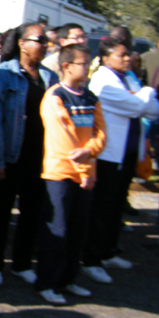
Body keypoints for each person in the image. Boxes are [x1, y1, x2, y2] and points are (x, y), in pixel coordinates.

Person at [0, 23, 58, 286]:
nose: (45, 45)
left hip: (41, 158)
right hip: (11, 156)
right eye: (39, 40)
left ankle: (22, 263)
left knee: (32, 213)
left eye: (46, 41)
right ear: (22, 43)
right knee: (2, 212)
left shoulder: (50, 78)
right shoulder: (4, 75)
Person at [81, 38, 159, 284]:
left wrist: (140, 97)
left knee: (116, 207)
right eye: (122, 55)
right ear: (105, 58)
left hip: (128, 153)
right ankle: (91, 259)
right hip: (108, 156)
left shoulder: (129, 79)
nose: (127, 59)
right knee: (102, 208)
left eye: (128, 56)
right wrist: (146, 92)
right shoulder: (103, 80)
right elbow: (138, 106)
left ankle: (108, 251)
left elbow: (153, 110)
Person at [35, 43, 106, 304]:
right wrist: (85, 167)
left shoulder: (90, 97)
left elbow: (100, 133)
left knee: (78, 230)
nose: (88, 68)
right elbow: (65, 141)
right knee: (58, 230)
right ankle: (47, 282)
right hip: (61, 174)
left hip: (85, 175)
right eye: (84, 64)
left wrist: (90, 154)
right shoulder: (55, 96)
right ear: (67, 66)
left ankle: (68, 279)